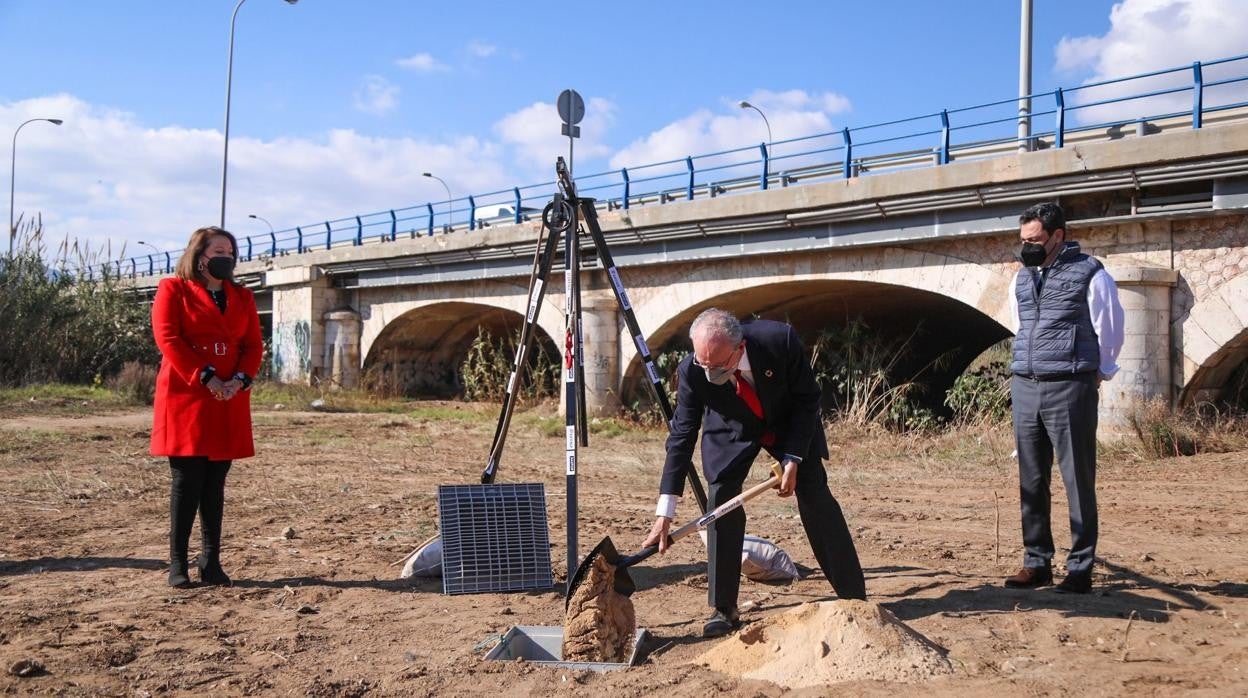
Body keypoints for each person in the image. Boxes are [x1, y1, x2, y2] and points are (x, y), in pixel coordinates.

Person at [643, 308, 866, 637]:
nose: (709, 373)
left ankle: (853, 597)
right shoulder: (692, 371)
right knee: (721, 499)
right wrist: (665, 511)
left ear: (739, 347)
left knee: (815, 494)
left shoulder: (779, 341)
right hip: (731, 427)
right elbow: (680, 438)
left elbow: (808, 400)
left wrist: (793, 457)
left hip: (789, 423)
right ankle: (724, 607)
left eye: (717, 365)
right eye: (704, 364)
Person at [1004, 202, 1124, 594]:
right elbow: (1020, 327)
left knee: (1077, 479)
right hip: (1026, 385)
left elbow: (1110, 328)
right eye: (1023, 241)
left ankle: (1080, 568)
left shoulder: (1091, 274)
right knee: (1031, 480)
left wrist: (1099, 373)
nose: (1027, 247)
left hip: (1070, 385)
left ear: (1058, 236)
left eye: (1034, 240)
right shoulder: (1020, 279)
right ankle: (1036, 563)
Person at [150, 226, 263, 588]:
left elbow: (253, 346)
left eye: (230, 250)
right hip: (188, 395)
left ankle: (211, 561)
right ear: (200, 256)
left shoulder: (242, 297)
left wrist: (240, 380)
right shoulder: (174, 289)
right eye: (219, 250)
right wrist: (206, 376)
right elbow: (168, 338)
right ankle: (178, 563)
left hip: (228, 397)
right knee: (187, 480)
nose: (226, 256)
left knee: (215, 483)